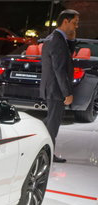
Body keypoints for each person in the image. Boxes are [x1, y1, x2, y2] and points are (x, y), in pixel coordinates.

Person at [39, 9, 79, 163]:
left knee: (51, 120)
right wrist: (67, 93)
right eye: (75, 22)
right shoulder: (57, 41)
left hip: (51, 87)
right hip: (55, 89)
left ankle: (40, 147)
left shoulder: (54, 38)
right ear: (65, 21)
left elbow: (66, 57)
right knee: (53, 123)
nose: (76, 26)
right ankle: (47, 154)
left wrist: (72, 41)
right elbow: (59, 70)